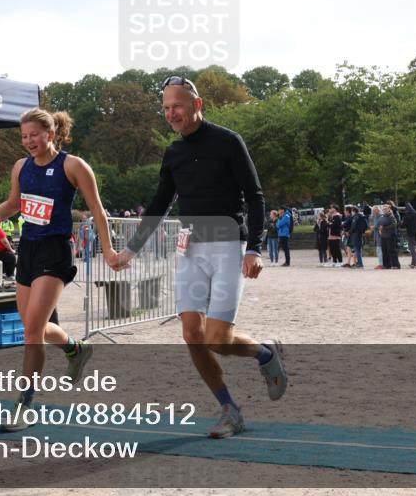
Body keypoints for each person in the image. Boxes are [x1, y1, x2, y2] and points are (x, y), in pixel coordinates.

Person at [113, 75, 286, 439]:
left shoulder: (228, 142)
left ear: (197, 104)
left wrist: (254, 247)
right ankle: (229, 409)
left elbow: (255, 196)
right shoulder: (173, 152)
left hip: (227, 246)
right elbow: (160, 202)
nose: (171, 114)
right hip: (191, 249)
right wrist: (130, 250)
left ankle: (265, 354)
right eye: (165, 108)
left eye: (176, 106)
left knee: (218, 340)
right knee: (193, 334)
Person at [0, 108, 119, 432]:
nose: (29, 141)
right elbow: (15, 202)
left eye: (34, 135)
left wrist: (109, 249)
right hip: (27, 249)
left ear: (51, 134)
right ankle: (76, 348)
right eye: (24, 136)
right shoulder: (21, 167)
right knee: (37, 328)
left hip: (56, 249)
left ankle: (24, 405)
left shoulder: (73, 166)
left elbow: (98, 211)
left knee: (32, 331)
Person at [401, 203, 416, 269]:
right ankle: (413, 263)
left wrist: (400, 223)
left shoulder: (407, 215)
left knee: (412, 248)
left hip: (410, 233)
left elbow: (403, 225)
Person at [377, 205, 398, 269]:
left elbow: (394, 224)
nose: (384, 210)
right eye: (383, 209)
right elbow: (379, 224)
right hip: (383, 236)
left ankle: (395, 265)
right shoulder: (382, 216)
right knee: (384, 251)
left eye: (385, 209)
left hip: (390, 236)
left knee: (392, 251)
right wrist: (380, 229)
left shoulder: (391, 216)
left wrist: (385, 228)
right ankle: (386, 265)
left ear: (389, 209)